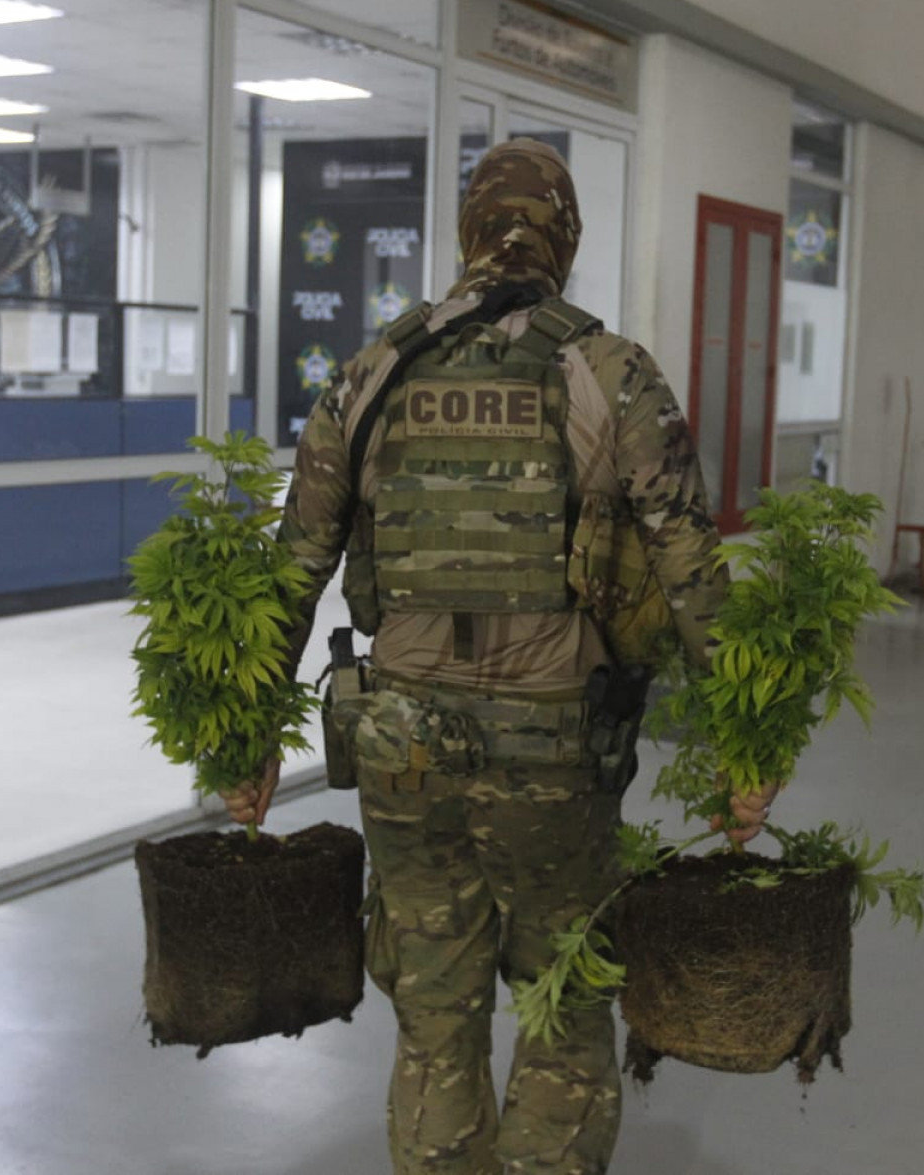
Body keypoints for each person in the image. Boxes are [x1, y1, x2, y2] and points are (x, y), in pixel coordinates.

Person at [221, 138, 777, 1174]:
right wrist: (749, 748)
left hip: (400, 751)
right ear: (562, 238)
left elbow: (291, 570)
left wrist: (245, 741)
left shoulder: (369, 375)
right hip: (553, 758)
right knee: (564, 1012)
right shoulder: (611, 374)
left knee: (434, 1018)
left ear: (468, 234)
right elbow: (695, 571)